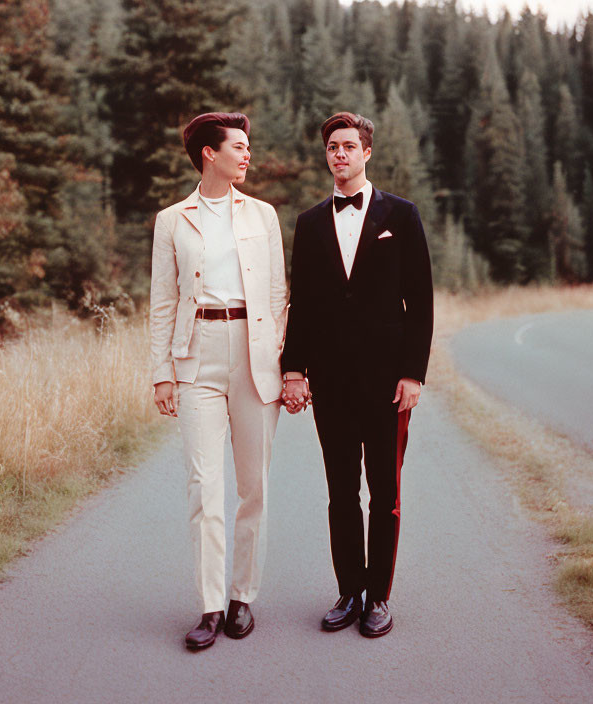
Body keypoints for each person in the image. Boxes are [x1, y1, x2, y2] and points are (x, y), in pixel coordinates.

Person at [280, 112, 433, 638]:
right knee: (341, 490)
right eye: (332, 147)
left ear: (367, 152)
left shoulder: (402, 215)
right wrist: (294, 369)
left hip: (388, 380)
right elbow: (301, 305)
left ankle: (379, 599)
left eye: (348, 146)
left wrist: (413, 373)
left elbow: (422, 301)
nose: (339, 154)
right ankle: (349, 591)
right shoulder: (308, 222)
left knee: (384, 491)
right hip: (331, 382)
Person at [149, 112, 287, 650]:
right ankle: (208, 607)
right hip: (196, 356)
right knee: (203, 486)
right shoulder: (172, 220)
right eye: (239, 146)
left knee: (253, 486)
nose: (248, 155)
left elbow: (277, 296)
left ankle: (242, 597)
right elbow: (163, 300)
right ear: (210, 153)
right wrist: (162, 373)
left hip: (253, 355)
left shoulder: (264, 215)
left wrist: (280, 359)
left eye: (248, 146)